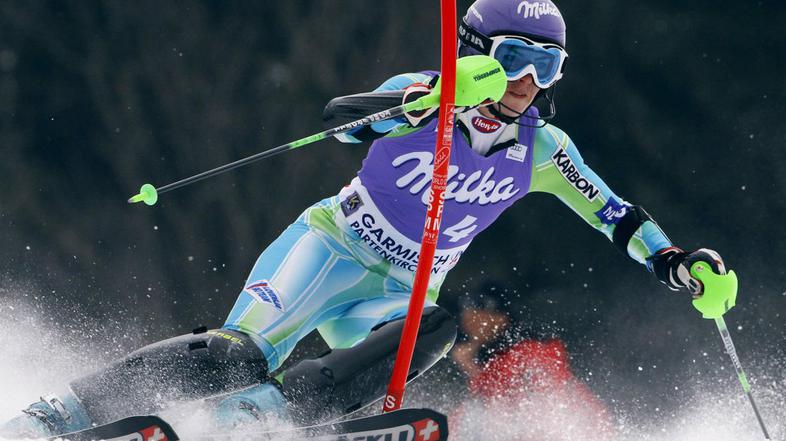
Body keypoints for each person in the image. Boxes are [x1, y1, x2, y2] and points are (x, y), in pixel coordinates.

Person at [1, 0, 733, 438]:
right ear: (478, 52)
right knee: (237, 351)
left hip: (402, 287)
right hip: (330, 248)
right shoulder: (424, 93)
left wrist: (676, 263)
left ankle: (258, 420)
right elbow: (341, 123)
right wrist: (423, 101)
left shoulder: (543, 147)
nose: (527, 84)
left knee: (435, 326)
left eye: (548, 67)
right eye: (515, 59)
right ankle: (55, 414)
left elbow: (614, 213)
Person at [449, 284, 615, 441]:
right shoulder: (498, 354)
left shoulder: (529, 351)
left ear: (502, 317)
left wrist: (471, 368)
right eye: (466, 308)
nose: (468, 315)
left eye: (479, 308)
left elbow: (522, 407)